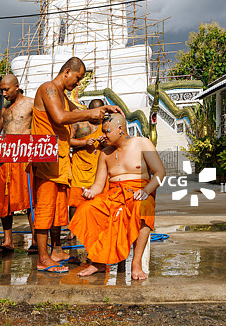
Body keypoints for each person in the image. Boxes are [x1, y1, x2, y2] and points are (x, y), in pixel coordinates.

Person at [30, 57, 122, 273]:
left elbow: (74, 109)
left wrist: (105, 108)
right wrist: (90, 114)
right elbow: (61, 117)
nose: (77, 84)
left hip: (59, 159)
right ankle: (43, 258)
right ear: (67, 71)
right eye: (78, 78)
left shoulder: (60, 94)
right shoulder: (48, 89)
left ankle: (56, 251)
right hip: (46, 157)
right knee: (45, 208)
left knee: (56, 209)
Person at [70, 112, 165, 280]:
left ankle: (136, 263)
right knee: (87, 208)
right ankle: (98, 261)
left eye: (107, 131)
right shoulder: (105, 153)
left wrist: (147, 191)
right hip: (113, 195)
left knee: (144, 207)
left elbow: (160, 172)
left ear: (120, 129)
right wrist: (91, 192)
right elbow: (99, 184)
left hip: (139, 192)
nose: (103, 135)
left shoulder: (141, 143)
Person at [0, 74, 36, 255]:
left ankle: (35, 241)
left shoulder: (31, 104)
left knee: (30, 201)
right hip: (5, 159)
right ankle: (8, 241)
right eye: (1, 90)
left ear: (17, 86)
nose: (3, 93)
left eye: (6, 89)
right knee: (3, 201)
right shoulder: (4, 110)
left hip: (24, 157)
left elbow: (41, 127)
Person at [65, 98, 105, 240]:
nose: (98, 117)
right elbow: (68, 141)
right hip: (80, 166)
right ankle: (73, 230)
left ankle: (97, 226)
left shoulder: (105, 124)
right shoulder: (79, 124)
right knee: (75, 201)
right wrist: (83, 142)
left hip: (99, 168)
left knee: (99, 200)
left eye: (101, 113)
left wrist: (105, 142)